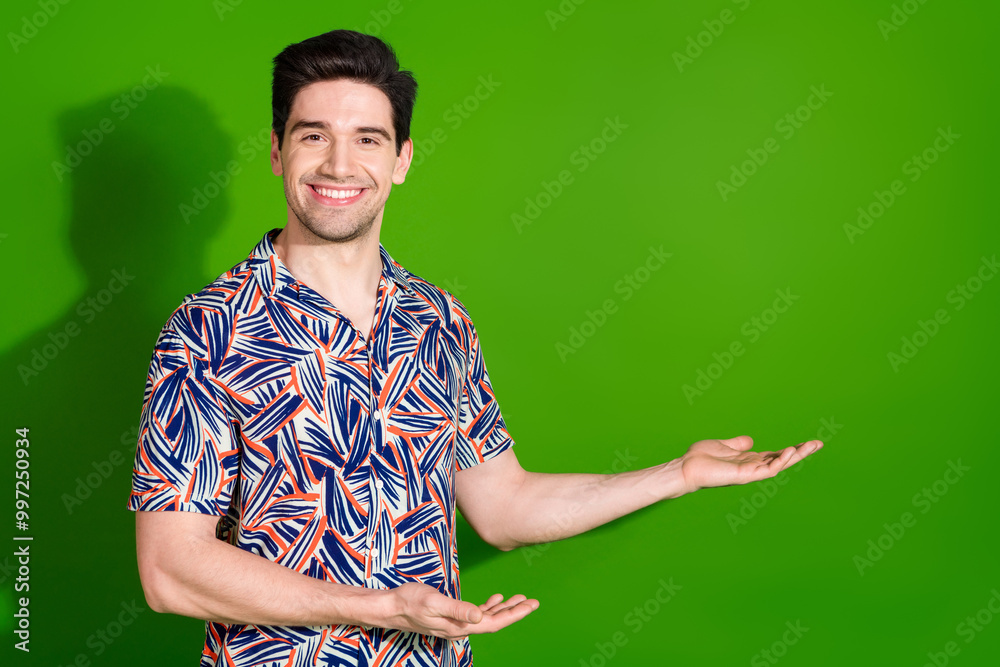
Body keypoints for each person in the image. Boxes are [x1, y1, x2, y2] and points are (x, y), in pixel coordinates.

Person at [127, 29, 823, 667]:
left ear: (401, 159)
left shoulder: (439, 321)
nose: (340, 162)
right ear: (278, 150)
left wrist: (679, 472)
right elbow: (170, 568)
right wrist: (382, 606)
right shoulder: (207, 328)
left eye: (368, 138)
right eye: (314, 135)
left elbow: (505, 506)